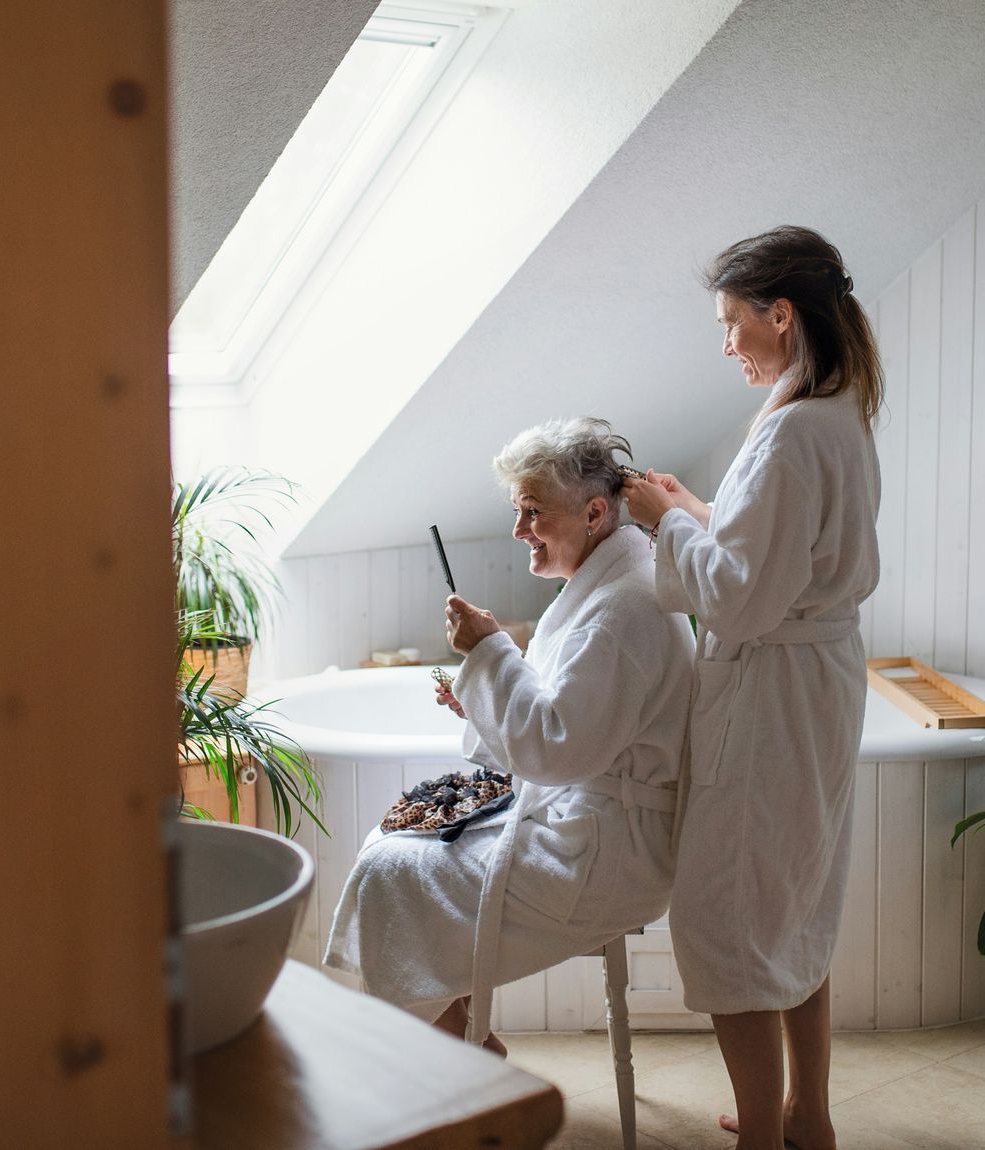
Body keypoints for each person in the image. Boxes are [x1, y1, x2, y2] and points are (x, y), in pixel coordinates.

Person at [622, 226, 883, 1150]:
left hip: (772, 694)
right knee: (797, 898)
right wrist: (696, 509)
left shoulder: (788, 434)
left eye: (733, 323)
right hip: (821, 678)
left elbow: (738, 598)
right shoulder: (837, 408)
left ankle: (762, 1142)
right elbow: (775, 554)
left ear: (781, 315)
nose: (725, 342)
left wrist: (660, 525)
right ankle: (806, 1113)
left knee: (731, 920)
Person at [324, 418, 694, 1052]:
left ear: (594, 513)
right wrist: (481, 695)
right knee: (395, 843)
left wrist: (491, 652)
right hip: (584, 819)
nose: (519, 530)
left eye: (532, 512)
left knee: (391, 871)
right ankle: (466, 1038)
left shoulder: (624, 608)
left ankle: (465, 1053)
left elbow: (554, 746)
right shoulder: (607, 584)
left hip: (604, 855)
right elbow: (568, 719)